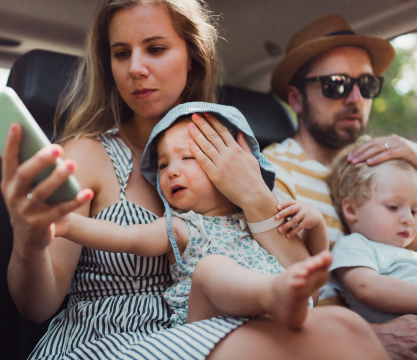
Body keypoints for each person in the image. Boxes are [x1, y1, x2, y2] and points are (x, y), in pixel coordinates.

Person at [1, 2, 389, 359]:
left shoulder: (231, 148)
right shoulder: (86, 153)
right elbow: (37, 306)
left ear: (193, 60)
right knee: (342, 335)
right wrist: (29, 239)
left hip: (210, 329)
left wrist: (255, 198)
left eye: (155, 49)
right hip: (106, 341)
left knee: (345, 326)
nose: (135, 67)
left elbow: (303, 284)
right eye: (121, 53)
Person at [263, 13, 417, 359]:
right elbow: (277, 302)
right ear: (295, 98)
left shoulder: (375, 166)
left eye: (367, 84)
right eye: (336, 84)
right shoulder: (274, 171)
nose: (355, 97)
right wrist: (375, 336)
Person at [50, 102, 332, 330]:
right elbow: (126, 237)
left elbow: (315, 273)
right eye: (162, 164)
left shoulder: (257, 220)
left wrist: (316, 224)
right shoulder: (183, 228)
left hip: (267, 331)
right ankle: (271, 295)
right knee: (210, 270)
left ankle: (277, 298)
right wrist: (68, 223)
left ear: (228, 161)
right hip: (207, 331)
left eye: (187, 158)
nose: (172, 170)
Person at [326, 142, 417, 324]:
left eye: (414, 210)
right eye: (393, 207)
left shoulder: (414, 254)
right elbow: (366, 287)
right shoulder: (354, 245)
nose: (408, 219)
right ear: (351, 209)